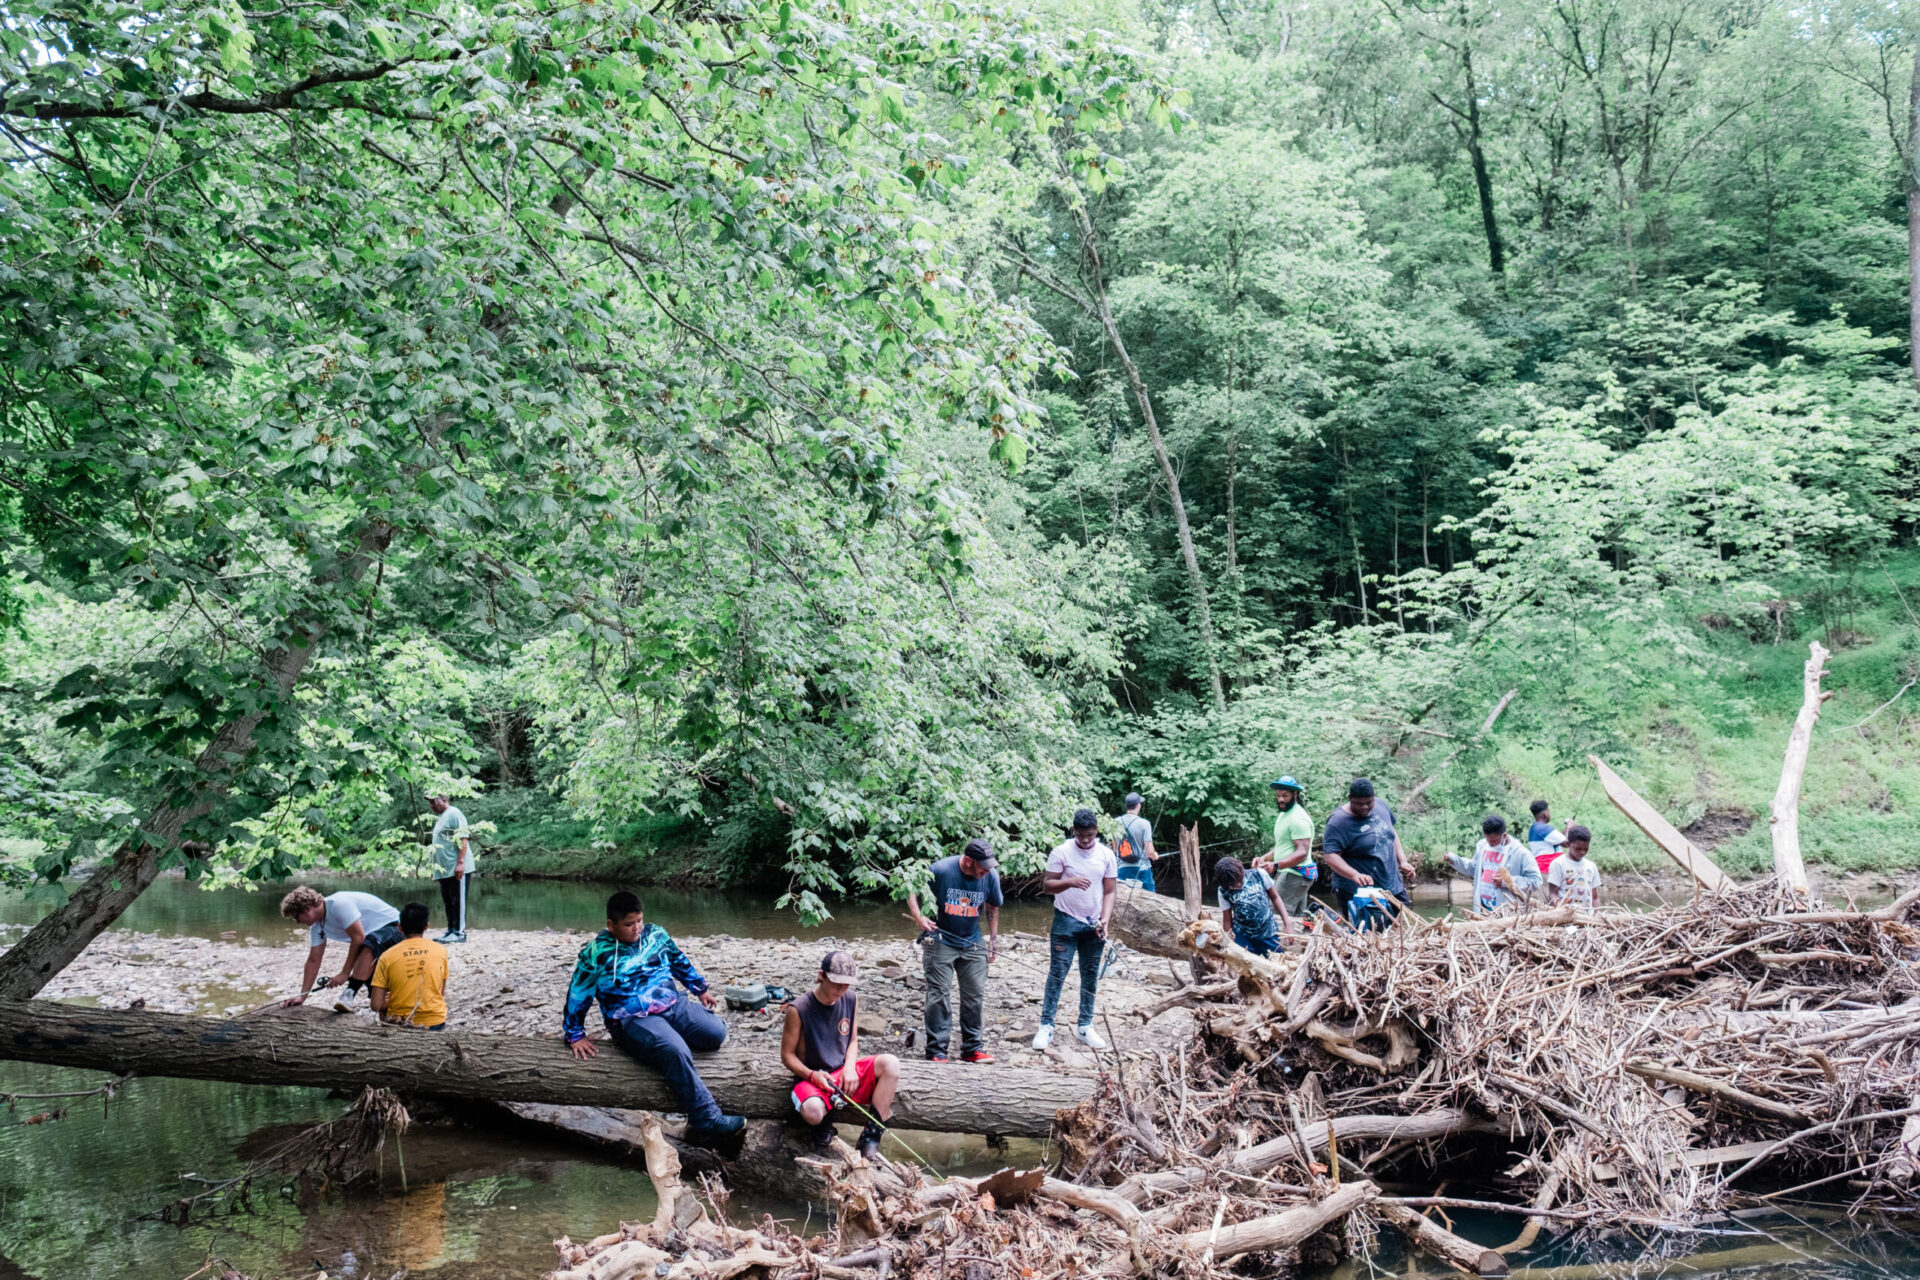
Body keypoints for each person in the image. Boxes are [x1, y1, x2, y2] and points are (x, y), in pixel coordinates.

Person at [562, 891, 744, 1146]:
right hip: (631, 1019)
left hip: (670, 1003)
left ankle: (669, 1038)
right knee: (676, 1051)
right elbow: (579, 992)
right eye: (628, 924)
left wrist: (700, 988)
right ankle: (707, 1119)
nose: (636, 928)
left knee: (716, 1033)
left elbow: (678, 960)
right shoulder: (596, 953)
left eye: (639, 921)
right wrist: (574, 1034)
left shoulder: (656, 933)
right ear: (611, 925)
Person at [781, 950, 900, 1159]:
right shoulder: (798, 1009)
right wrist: (811, 1075)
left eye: (846, 985)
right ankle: (824, 1123)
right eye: (836, 983)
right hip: (815, 1078)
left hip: (844, 1073)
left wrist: (850, 1066)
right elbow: (787, 1055)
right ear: (821, 976)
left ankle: (871, 1138)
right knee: (812, 1111)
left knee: (891, 1064)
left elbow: (852, 1040)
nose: (841, 989)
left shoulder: (851, 999)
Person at [905, 837, 1002, 1063]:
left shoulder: (990, 876)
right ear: (968, 861)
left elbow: (992, 906)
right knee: (939, 994)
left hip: (972, 940)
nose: (986, 872)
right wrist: (919, 918)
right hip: (940, 938)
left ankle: (972, 1049)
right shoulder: (940, 870)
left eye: (989, 868)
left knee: (974, 995)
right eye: (983, 867)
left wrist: (993, 940)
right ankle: (937, 1051)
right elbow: (911, 890)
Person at [1033, 809, 1118, 1052]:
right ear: (1074, 831)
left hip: (1094, 923)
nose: (1085, 840)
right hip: (1066, 921)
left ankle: (1085, 1025)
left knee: (1090, 974)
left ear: (1096, 832)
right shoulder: (1061, 852)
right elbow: (1047, 885)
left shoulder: (1106, 855)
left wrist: (1106, 919)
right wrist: (1070, 881)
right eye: (1081, 835)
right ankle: (1046, 1025)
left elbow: (1110, 891)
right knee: (1057, 972)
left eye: (1090, 835)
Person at [279, 887, 404, 1014]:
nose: (297, 922)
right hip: (371, 944)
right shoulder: (317, 926)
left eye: (296, 917)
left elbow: (358, 938)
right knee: (378, 993)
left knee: (368, 944)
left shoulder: (338, 904)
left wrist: (344, 973)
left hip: (396, 928)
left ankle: (349, 993)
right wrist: (302, 996)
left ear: (307, 908)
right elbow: (313, 960)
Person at [1320, 779, 1415, 927]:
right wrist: (1354, 875)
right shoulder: (1338, 822)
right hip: (1359, 892)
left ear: (1373, 797)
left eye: (1368, 802)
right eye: (1359, 803)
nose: (1364, 807)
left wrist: (1403, 861)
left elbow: (1391, 833)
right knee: (1368, 932)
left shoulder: (1381, 806)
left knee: (1403, 926)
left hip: (1391, 884)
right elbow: (1330, 856)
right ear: (1349, 798)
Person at [370, 901, 450, 1029]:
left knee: (384, 1011)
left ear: (400, 927)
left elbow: (375, 1005)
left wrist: (387, 1002)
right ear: (426, 927)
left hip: (400, 1023)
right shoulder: (440, 951)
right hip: (434, 1022)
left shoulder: (386, 956)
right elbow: (439, 993)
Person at [1446, 814, 1543, 914]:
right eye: (1488, 839)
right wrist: (1453, 859)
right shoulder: (1482, 846)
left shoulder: (1521, 853)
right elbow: (1473, 868)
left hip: (1507, 911)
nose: (1490, 843)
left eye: (1494, 840)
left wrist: (1507, 882)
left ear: (1504, 835)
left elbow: (1536, 881)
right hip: (1482, 908)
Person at [1253, 776, 1314, 927]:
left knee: (1276, 916)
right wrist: (1264, 858)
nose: (1280, 799)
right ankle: (1298, 949)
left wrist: (1276, 865)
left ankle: (1277, 949)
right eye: (1278, 795)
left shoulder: (1298, 818)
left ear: (1295, 795)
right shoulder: (1284, 814)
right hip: (1292, 874)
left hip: (1294, 874)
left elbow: (1301, 853)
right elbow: (1283, 846)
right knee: (1299, 921)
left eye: (1285, 796)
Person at [1214, 856, 1286, 955]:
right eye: (1233, 884)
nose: (1239, 885)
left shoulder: (1258, 874)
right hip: (1243, 936)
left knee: (1275, 962)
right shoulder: (1223, 890)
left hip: (1268, 932)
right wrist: (1228, 937)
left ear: (1242, 871)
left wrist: (1287, 924)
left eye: (1240, 880)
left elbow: (1275, 897)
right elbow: (1227, 918)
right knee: (1245, 965)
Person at [428, 795, 472, 943]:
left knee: (457, 900)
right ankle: (450, 930)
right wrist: (435, 869)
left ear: (444, 799)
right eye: (430, 803)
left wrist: (460, 863)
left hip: (456, 867)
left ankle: (459, 933)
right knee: (448, 901)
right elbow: (440, 844)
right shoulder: (441, 817)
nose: (431, 806)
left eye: (433, 802)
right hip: (443, 869)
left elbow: (463, 838)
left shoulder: (454, 814)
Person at [1546, 824, 1602, 909]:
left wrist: (1597, 913)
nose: (1582, 852)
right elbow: (1553, 894)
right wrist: (1561, 910)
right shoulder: (1558, 864)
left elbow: (1595, 897)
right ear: (1568, 844)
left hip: (1587, 918)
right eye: (1578, 849)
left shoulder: (1591, 866)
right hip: (1566, 917)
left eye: (1585, 849)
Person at [1113, 793, 1157, 892]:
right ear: (1138, 805)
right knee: (1149, 899)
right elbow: (1149, 852)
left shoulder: (1115, 822)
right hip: (1142, 869)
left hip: (1122, 869)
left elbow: (1115, 850)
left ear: (1126, 805)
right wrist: (1155, 856)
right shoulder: (1144, 824)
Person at [1526, 800, 1556, 876]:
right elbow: (1567, 842)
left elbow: (1560, 839)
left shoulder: (1535, 827)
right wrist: (1570, 825)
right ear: (1545, 814)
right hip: (1547, 870)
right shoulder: (1543, 828)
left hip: (1542, 869)